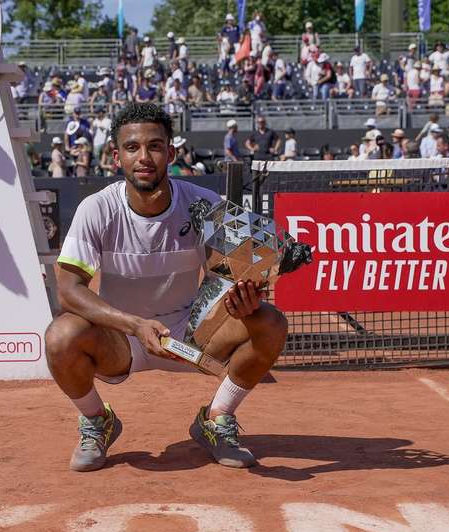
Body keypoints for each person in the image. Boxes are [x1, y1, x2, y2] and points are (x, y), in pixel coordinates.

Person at [46, 102, 291, 471]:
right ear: (117, 156)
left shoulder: (205, 204)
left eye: (155, 146)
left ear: (171, 153)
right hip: (121, 336)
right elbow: (67, 290)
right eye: (132, 148)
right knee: (59, 336)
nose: (144, 157)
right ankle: (98, 421)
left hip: (188, 334)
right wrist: (133, 325)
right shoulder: (96, 208)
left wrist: (242, 299)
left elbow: (235, 275)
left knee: (269, 322)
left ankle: (216, 419)